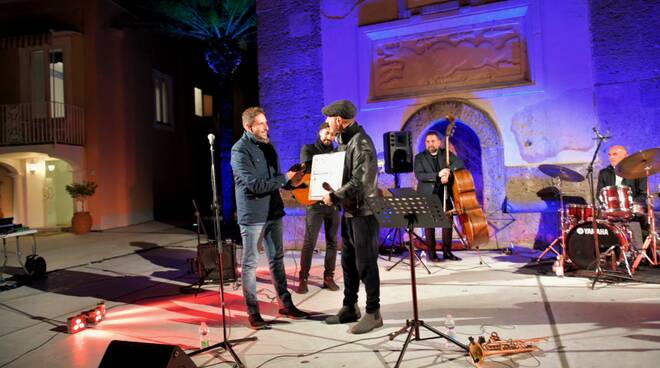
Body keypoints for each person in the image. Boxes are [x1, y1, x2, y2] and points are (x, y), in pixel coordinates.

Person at [231, 106, 310, 330]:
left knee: (277, 258)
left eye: (266, 122)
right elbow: (255, 185)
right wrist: (284, 177)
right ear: (248, 127)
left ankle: (286, 304)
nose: (267, 127)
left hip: (273, 211)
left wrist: (291, 181)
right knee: (250, 264)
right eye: (261, 124)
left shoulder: (269, 146)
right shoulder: (239, 151)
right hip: (253, 215)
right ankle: (253, 312)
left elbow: (275, 178)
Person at [320, 99, 382, 334]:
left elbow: (360, 182)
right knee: (348, 263)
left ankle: (374, 313)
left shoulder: (361, 144)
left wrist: (334, 197)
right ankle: (350, 307)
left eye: (329, 119)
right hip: (350, 210)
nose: (326, 123)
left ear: (339, 120)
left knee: (366, 264)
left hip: (364, 212)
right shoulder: (345, 142)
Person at [297, 122, 341, 294]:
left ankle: (328, 277)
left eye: (332, 134)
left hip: (333, 202)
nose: (329, 137)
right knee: (309, 242)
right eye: (326, 133)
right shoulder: (308, 149)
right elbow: (308, 170)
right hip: (314, 203)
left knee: (332, 242)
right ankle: (303, 278)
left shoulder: (337, 152)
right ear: (320, 132)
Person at [413, 131, 464, 261]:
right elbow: (420, 176)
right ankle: (432, 253)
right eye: (427, 142)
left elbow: (459, 164)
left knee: (447, 223)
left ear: (439, 142)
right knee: (429, 225)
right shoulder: (420, 157)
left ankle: (447, 252)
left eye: (432, 141)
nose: (430, 144)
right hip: (427, 195)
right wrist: (438, 175)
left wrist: (448, 172)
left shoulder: (446, 154)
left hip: (444, 193)